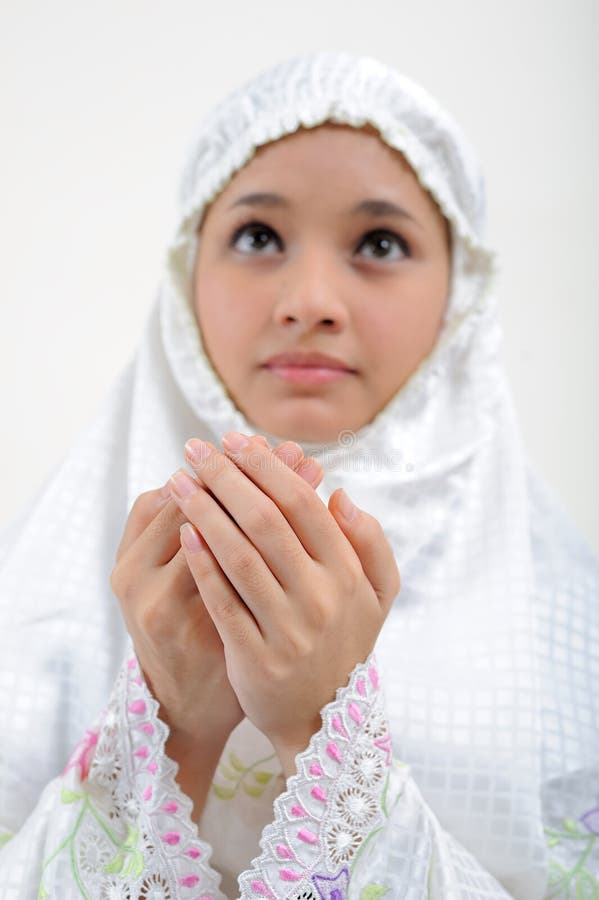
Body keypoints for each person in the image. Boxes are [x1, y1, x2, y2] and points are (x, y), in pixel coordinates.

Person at [0, 51, 597, 900]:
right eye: (257, 236)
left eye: (379, 243)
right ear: (185, 277)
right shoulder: (30, 609)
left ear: (458, 298)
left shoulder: (568, 637)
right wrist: (168, 726)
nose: (309, 298)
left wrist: (326, 726)